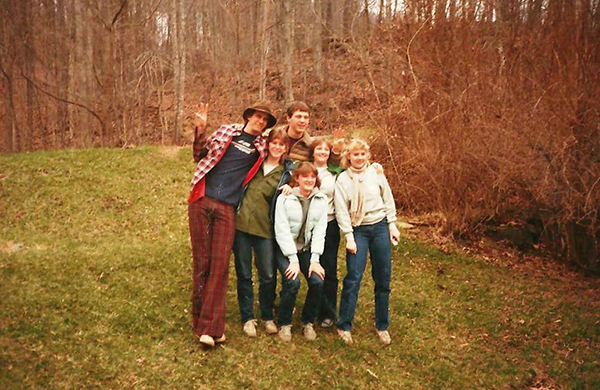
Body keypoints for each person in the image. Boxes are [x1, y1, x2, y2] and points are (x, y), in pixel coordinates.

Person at [188, 101, 277, 348]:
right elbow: (199, 155)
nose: (260, 121)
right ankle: (201, 324)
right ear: (248, 116)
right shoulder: (227, 131)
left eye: (265, 120)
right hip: (202, 200)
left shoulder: (262, 146)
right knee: (202, 263)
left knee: (220, 266)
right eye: (258, 117)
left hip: (228, 208)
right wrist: (201, 129)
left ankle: (211, 327)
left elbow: (288, 142)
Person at [334, 139, 400, 346]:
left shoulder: (376, 174)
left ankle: (382, 325)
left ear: (367, 156)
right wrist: (349, 237)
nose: (359, 158)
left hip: (379, 227)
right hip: (358, 230)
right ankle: (344, 325)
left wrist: (392, 225)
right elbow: (341, 211)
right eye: (355, 154)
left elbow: (387, 200)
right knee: (353, 277)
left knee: (383, 278)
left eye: (363, 154)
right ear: (349, 157)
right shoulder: (343, 180)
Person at [233, 128, 294, 337]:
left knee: (267, 274)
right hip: (241, 226)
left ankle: (267, 316)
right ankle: (248, 317)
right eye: (274, 143)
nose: (277, 147)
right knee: (244, 273)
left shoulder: (286, 174)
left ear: (286, 149)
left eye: (281, 145)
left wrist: (291, 187)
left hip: (265, 229)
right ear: (268, 144)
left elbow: (309, 180)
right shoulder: (254, 163)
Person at [274, 162, 328, 342]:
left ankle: (308, 322)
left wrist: (315, 259)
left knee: (317, 280)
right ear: (297, 178)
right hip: (285, 250)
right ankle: (285, 323)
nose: (309, 180)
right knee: (293, 280)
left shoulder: (321, 200)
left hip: (305, 250)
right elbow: (281, 229)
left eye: (313, 177)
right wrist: (292, 259)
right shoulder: (285, 198)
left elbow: (320, 231)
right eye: (305, 176)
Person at [310, 137, 344, 328]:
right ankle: (311, 307)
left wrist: (376, 169)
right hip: (309, 223)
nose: (322, 152)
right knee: (309, 266)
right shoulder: (306, 169)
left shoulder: (335, 172)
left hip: (330, 223)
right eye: (319, 149)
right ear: (313, 152)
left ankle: (328, 312)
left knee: (329, 267)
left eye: (326, 150)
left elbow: (357, 169)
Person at [274, 101, 344, 164]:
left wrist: (336, 151)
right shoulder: (273, 137)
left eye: (306, 117)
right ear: (288, 118)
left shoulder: (310, 145)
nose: (302, 121)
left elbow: (328, 165)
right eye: (298, 116)